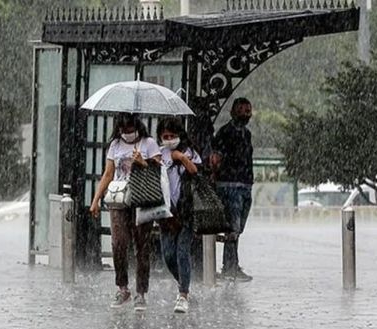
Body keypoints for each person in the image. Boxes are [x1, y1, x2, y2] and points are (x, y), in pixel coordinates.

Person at [89, 113, 161, 311]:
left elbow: (159, 171)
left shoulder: (149, 143)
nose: (126, 134)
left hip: (142, 198)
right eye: (123, 130)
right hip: (119, 199)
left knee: (142, 245)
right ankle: (122, 287)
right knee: (118, 243)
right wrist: (96, 199)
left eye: (129, 130)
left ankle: (141, 291)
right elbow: (108, 173)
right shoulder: (115, 145)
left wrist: (143, 162)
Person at [157, 117, 201, 313]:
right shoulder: (159, 154)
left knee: (182, 251)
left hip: (186, 211)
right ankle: (184, 282)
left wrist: (181, 157)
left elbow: (196, 171)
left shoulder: (189, 152)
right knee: (168, 254)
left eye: (172, 136)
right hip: (166, 213)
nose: (168, 139)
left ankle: (183, 294)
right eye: (165, 136)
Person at [210, 97, 254, 282]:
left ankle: (232, 264)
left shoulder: (247, 134)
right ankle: (229, 266)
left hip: (244, 185)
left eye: (248, 110)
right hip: (229, 185)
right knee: (232, 228)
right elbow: (216, 158)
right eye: (242, 110)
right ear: (233, 112)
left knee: (238, 227)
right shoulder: (225, 133)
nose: (246, 113)